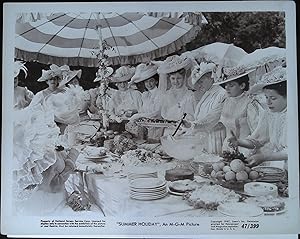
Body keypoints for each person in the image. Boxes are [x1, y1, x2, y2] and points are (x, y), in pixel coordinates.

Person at [13, 103, 80, 215]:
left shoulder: (44, 146)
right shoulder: (46, 155)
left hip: (46, 200)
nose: (67, 128)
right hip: (49, 206)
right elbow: (57, 182)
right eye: (66, 124)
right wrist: (74, 154)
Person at [228, 66, 287, 169]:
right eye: (266, 97)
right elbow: (257, 140)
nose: (268, 102)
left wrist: (264, 156)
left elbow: (294, 151)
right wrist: (238, 142)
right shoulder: (269, 114)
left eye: (273, 98)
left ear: (287, 96)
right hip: (275, 167)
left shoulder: (292, 116)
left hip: (293, 167)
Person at [214, 65, 265, 155]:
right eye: (225, 85)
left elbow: (257, 131)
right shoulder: (226, 101)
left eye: (231, 85)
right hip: (227, 148)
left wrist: (246, 146)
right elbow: (213, 115)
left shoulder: (250, 103)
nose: (226, 88)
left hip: (245, 150)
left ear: (242, 85)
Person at [180, 62, 227, 154]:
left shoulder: (222, 94)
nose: (199, 85)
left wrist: (192, 125)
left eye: (201, 81)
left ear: (211, 77)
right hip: (203, 136)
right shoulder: (207, 93)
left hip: (215, 136)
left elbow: (213, 117)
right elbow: (198, 115)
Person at [128, 62, 163, 141]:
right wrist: (136, 114)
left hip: (159, 126)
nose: (149, 84)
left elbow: (156, 113)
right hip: (148, 126)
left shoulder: (160, 94)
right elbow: (143, 110)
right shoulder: (145, 95)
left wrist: (138, 116)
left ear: (156, 81)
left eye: (151, 81)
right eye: (146, 82)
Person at [157, 55, 193, 122]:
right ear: (169, 79)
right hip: (168, 128)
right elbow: (163, 113)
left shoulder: (189, 95)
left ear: (184, 78)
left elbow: (190, 116)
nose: (175, 81)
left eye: (179, 78)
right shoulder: (166, 94)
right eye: (173, 78)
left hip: (183, 129)